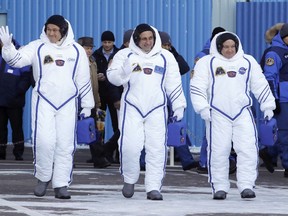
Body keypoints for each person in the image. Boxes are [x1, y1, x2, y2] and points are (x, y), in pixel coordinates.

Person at [0, 15, 94, 199]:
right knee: (44, 142)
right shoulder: (38, 46)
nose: (50, 33)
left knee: (65, 145)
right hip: (44, 101)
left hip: (68, 103)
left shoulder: (77, 51)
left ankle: (61, 184)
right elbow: (17, 60)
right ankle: (43, 178)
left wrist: (87, 104)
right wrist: (8, 48)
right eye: (48, 29)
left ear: (63, 31)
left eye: (55, 30)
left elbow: (83, 80)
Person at [190, 31, 275, 200]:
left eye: (232, 47)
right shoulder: (207, 63)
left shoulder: (247, 61)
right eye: (226, 47)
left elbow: (260, 84)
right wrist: (202, 108)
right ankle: (219, 186)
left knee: (248, 150)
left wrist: (268, 106)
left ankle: (246, 185)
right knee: (219, 151)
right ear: (219, 47)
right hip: (217, 114)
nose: (230, 50)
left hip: (242, 112)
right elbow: (197, 86)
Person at [107, 23, 187, 200]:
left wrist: (179, 105)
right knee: (130, 146)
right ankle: (129, 179)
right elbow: (112, 77)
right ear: (136, 39)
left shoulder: (166, 57)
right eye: (143, 38)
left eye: (150, 38)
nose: (147, 42)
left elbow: (173, 83)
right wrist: (124, 71)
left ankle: (153, 187)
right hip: (132, 107)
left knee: (157, 149)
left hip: (157, 108)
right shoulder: (124, 54)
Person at [140, 31, 198, 171]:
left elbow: (184, 67)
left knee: (176, 127)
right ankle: (142, 161)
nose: (166, 47)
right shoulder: (149, 57)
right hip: (152, 98)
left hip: (170, 97)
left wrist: (173, 52)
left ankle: (186, 160)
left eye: (168, 45)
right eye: (163, 45)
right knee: (146, 130)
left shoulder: (170, 58)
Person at [193, 27, 237, 175]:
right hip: (211, 100)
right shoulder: (204, 56)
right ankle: (205, 162)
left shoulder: (233, 56)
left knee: (228, 133)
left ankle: (225, 160)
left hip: (229, 100)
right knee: (210, 132)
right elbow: (197, 78)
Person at [77, 36, 111, 168]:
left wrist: (97, 102)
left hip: (91, 101)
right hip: (79, 102)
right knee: (70, 132)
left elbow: (93, 84)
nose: (89, 51)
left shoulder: (92, 61)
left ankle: (98, 159)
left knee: (93, 131)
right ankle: (66, 160)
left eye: (91, 48)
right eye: (87, 48)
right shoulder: (77, 61)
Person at [260, 23, 288, 178]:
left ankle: (268, 152)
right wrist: (273, 100)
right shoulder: (274, 53)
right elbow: (269, 77)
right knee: (285, 134)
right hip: (283, 99)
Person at [0, 39, 33, 161]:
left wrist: (18, 91)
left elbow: (26, 78)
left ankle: (18, 152)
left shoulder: (20, 56)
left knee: (16, 127)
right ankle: (1, 152)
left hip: (15, 101)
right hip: (1, 101)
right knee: (1, 128)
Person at [92, 30, 120, 164]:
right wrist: (98, 76)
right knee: (99, 125)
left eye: (109, 42)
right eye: (105, 42)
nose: (107, 45)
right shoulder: (96, 55)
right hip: (101, 95)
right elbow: (92, 71)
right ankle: (99, 154)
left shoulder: (119, 54)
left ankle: (118, 154)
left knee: (117, 125)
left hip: (115, 96)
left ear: (113, 42)